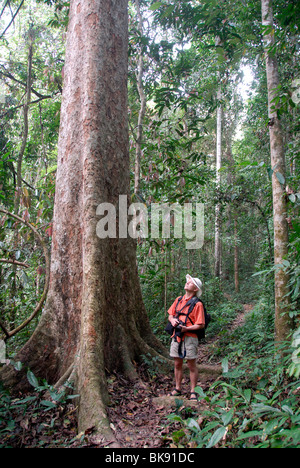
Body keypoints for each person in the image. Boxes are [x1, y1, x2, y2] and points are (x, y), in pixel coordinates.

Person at [167, 274, 205, 401]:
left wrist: (186, 328)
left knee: (191, 364)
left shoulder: (198, 304)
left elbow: (200, 324)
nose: (187, 282)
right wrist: (173, 321)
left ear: (195, 289)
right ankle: (178, 388)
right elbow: (170, 315)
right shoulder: (178, 300)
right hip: (177, 336)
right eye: (188, 281)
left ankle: (193, 391)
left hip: (190, 337)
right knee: (177, 363)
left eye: (191, 282)